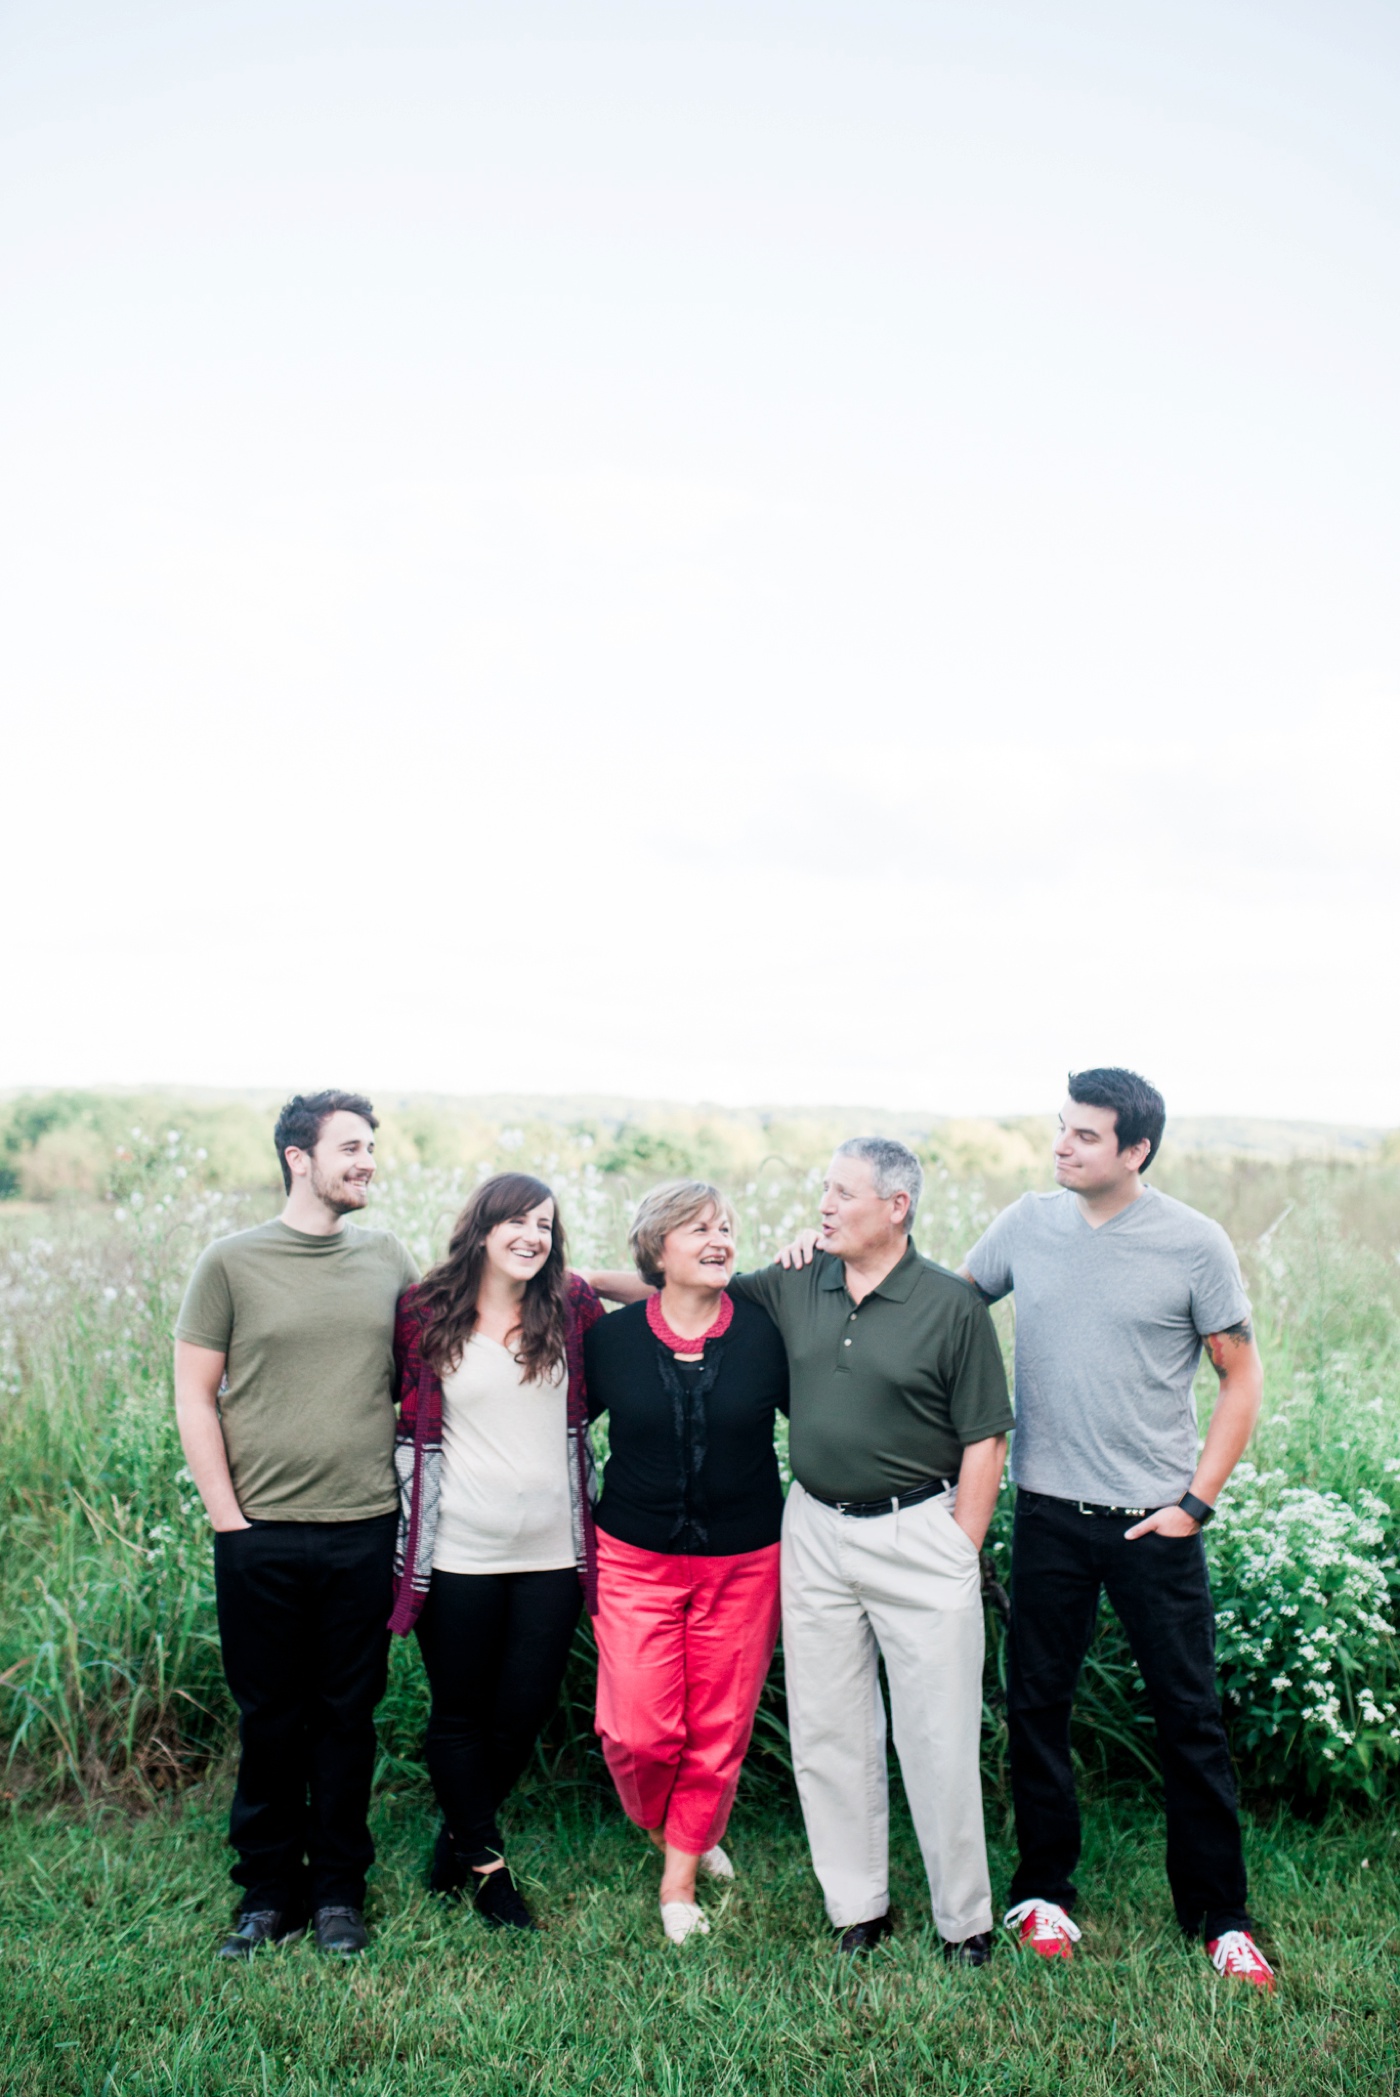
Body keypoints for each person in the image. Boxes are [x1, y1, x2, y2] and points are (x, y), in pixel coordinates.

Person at [623, 1138, 1015, 1962]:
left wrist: (957, 1547)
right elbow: (685, 1292)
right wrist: (561, 1289)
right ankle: (857, 1906)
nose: (824, 1205)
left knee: (937, 1736)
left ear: (896, 1206)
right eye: (823, 1191)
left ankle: (964, 1920)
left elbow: (986, 1440)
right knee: (829, 1729)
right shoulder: (795, 1282)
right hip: (812, 1529)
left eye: (842, 1193)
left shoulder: (951, 1304)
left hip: (920, 1534)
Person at [958, 1068, 1275, 1992]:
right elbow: (943, 1309)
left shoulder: (1192, 1243)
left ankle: (1221, 1915)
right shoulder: (1026, 1223)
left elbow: (1240, 1376)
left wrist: (1195, 1502)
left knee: (1190, 1720)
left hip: (1158, 1524)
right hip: (1049, 1511)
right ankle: (1042, 1891)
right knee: (1037, 1709)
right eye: (1061, 1129)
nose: (1063, 1145)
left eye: (1085, 1135)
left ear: (1135, 1150)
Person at [174, 1090, 419, 1960]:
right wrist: (228, 1521)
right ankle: (266, 1894)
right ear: (298, 1157)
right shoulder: (231, 1262)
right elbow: (194, 1393)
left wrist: (648, 1278)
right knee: (270, 1718)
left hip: (364, 1527)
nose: (367, 1162)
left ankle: (339, 1894)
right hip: (259, 1533)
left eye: (371, 1148)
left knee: (348, 1717)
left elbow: (466, 1324)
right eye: (351, 1146)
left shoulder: (387, 1256)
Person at [389, 1172, 605, 1932]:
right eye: (516, 1221)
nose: (532, 1236)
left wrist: (597, 1273)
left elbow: (666, 1284)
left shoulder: (572, 1305)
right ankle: (486, 1868)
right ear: (481, 1228)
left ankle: (457, 1831)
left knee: (523, 1709)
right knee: (460, 1713)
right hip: (457, 1551)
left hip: (553, 1552)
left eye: (545, 1224)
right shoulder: (423, 1311)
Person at [584, 1181, 788, 1945]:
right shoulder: (613, 1340)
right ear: (657, 1247)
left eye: (727, 1226)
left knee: (718, 1726)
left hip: (744, 1560)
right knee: (636, 1732)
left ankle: (678, 1882)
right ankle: (682, 1827)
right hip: (634, 1555)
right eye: (698, 1227)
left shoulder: (768, 1334)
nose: (719, 1238)